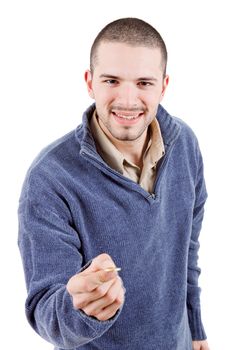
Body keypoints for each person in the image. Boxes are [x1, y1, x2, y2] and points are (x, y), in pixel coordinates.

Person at [18, 17, 210, 350]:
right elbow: (46, 309)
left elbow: (187, 251)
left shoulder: (186, 146)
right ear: (89, 82)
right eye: (112, 80)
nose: (127, 99)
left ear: (163, 86)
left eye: (143, 83)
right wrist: (82, 308)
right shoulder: (49, 179)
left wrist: (196, 329)